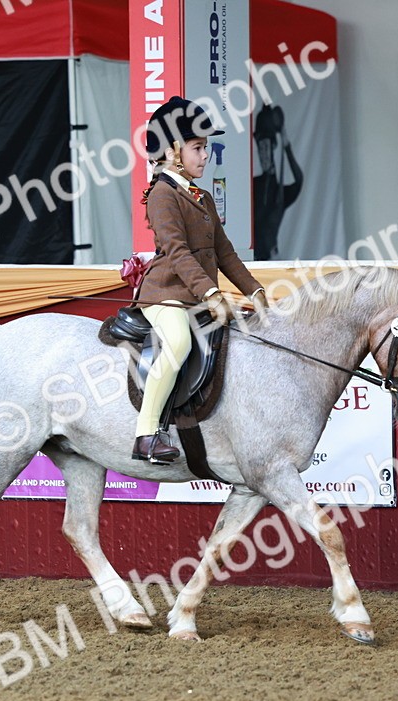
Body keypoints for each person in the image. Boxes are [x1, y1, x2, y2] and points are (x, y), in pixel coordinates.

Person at [131, 96, 269, 464]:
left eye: (205, 147)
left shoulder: (203, 196)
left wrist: (254, 290)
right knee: (177, 343)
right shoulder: (162, 195)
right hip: (167, 294)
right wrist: (209, 291)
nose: (205, 155)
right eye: (197, 147)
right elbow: (177, 253)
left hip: (199, 295)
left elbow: (225, 253)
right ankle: (146, 433)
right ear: (174, 149)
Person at [253, 105, 304, 261]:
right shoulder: (253, 186)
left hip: (272, 259)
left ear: (274, 146)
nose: (264, 153)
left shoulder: (280, 193)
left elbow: (299, 179)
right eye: (261, 147)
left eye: (267, 146)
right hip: (252, 258)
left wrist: (286, 144)